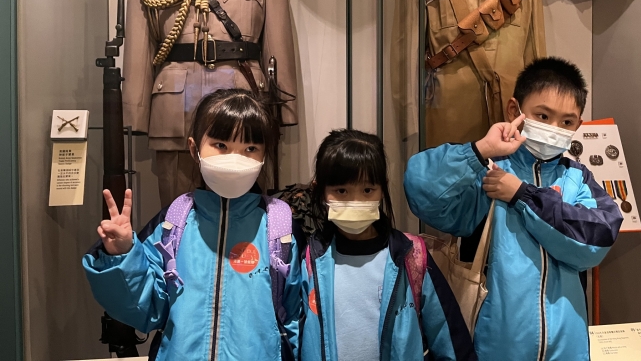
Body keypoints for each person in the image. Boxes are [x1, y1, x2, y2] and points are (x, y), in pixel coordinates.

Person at [404, 57, 623, 361]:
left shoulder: (577, 177)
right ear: (514, 110)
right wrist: (481, 150)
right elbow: (421, 189)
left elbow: (597, 239)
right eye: (543, 115)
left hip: (567, 349)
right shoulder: (488, 170)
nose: (554, 129)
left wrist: (522, 194)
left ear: (578, 125)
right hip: (493, 346)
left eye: (567, 122)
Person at [83, 89, 303, 361]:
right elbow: (145, 309)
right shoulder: (173, 222)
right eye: (220, 145)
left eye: (250, 149)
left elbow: (297, 320)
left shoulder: (280, 226)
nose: (234, 158)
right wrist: (121, 255)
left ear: (264, 155)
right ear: (194, 149)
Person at [301, 129, 476, 361]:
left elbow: (451, 338)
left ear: (382, 189)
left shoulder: (411, 255)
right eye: (341, 191)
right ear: (321, 191)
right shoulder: (311, 259)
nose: (356, 201)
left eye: (367, 190)